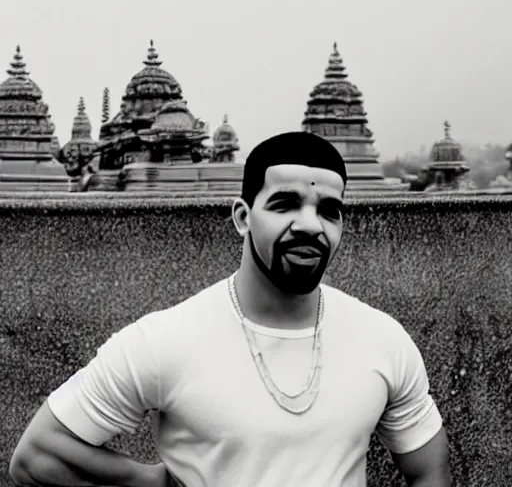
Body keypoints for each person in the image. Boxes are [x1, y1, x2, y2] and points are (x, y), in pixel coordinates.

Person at [9, 131, 451, 487]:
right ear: (243, 216)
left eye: (329, 211)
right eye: (285, 204)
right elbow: (36, 457)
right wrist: (144, 481)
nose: (310, 225)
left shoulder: (382, 339)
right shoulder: (168, 339)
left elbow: (429, 470)